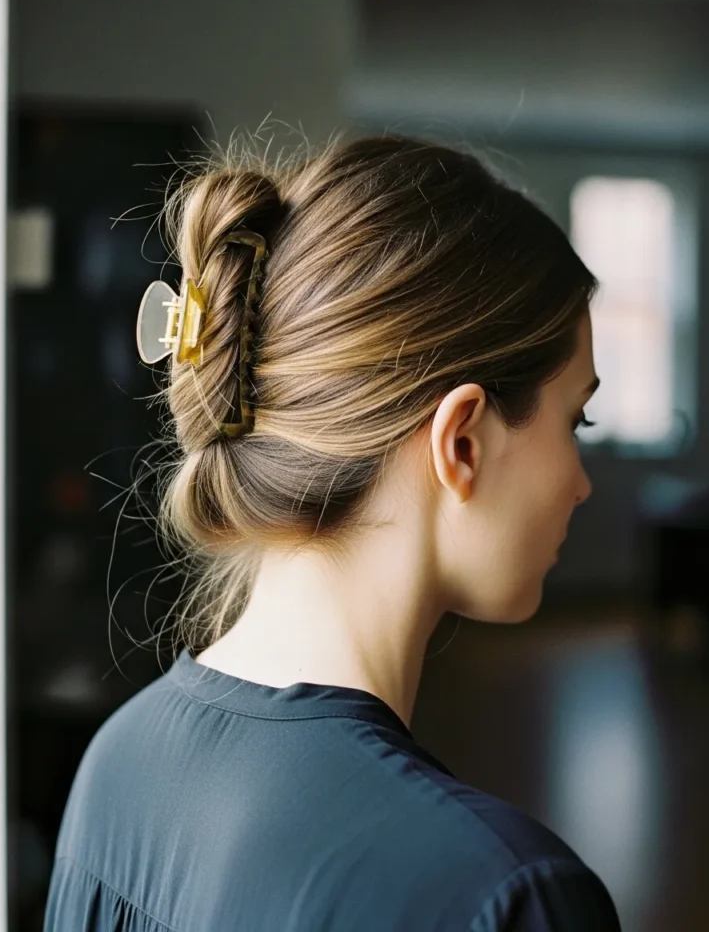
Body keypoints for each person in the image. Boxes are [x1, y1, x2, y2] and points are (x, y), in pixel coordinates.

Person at [44, 134, 619, 931]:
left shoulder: (115, 763)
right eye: (574, 419)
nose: (580, 481)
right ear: (463, 443)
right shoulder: (502, 893)